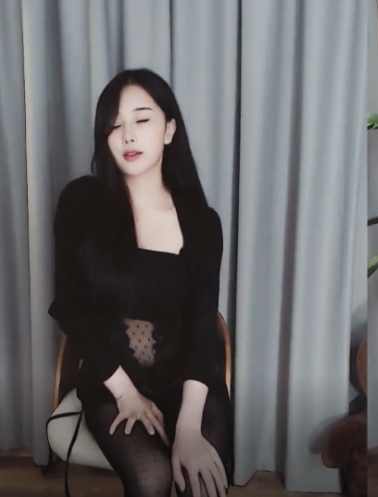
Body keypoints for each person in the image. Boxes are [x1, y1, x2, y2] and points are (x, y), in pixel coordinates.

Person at [48, 68, 233, 497]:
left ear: (169, 129)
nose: (128, 135)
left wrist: (188, 427)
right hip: (112, 377)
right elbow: (70, 307)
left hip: (190, 379)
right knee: (153, 478)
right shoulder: (81, 202)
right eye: (115, 125)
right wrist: (126, 394)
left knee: (199, 481)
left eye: (142, 119)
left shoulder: (203, 223)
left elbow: (202, 327)